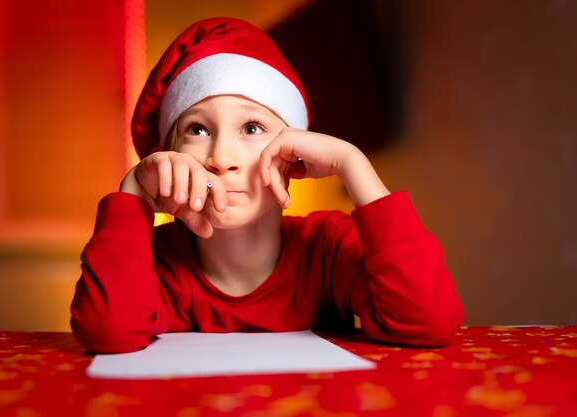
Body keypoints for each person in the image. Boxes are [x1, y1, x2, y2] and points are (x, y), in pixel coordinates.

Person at [70, 17, 464, 353]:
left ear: (295, 154)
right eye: (197, 129)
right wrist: (134, 187)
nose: (221, 158)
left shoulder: (326, 247)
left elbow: (428, 321)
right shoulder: (155, 262)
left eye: (252, 127)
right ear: (168, 151)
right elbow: (106, 332)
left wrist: (352, 162)